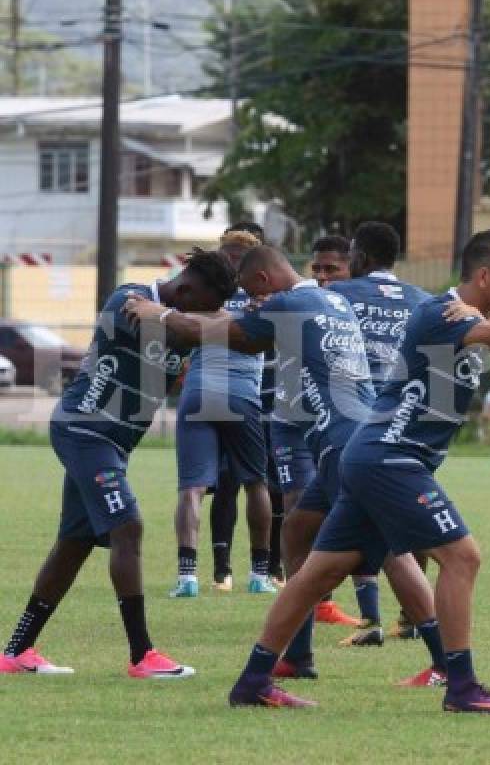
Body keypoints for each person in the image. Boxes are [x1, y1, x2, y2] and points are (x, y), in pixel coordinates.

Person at [220, 230, 490, 711]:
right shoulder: (442, 312)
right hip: (391, 457)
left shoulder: (481, 316)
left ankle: (253, 681)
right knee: (462, 557)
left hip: (373, 456)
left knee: (317, 575)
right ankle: (460, 685)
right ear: (483, 275)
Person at [124, 245, 445, 691]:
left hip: (346, 442)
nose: (253, 303)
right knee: (296, 531)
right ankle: (297, 658)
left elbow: (225, 333)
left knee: (394, 552)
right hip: (351, 437)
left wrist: (156, 313)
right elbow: (251, 337)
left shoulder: (289, 302)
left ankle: (446, 662)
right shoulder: (329, 299)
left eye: (252, 295)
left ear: (262, 282)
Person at [0, 249, 236, 678]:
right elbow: (194, 332)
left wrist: (213, 323)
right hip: (85, 432)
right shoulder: (128, 300)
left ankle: (16, 651)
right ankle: (142, 655)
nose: (201, 314)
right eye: (201, 304)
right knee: (127, 525)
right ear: (184, 289)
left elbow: (212, 332)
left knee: (74, 543)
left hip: (112, 444)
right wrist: (214, 326)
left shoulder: (180, 316)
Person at [323, 221, 432, 647]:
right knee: (410, 513)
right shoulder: (422, 301)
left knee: (357, 519)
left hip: (354, 424)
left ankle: (375, 619)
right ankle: (409, 616)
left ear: (360, 258)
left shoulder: (338, 296)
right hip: (409, 419)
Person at [169, 229, 275, 598]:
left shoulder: (207, 289)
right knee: (256, 482)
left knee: (192, 486)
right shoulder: (266, 293)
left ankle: (187, 576)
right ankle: (260, 574)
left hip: (200, 388)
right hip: (243, 392)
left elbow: (180, 331)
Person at [273, 234, 359, 627]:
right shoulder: (300, 302)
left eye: (333, 269)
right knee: (297, 516)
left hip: (343, 431)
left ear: (349, 269)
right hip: (293, 423)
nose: (323, 276)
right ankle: (307, 616)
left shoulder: (346, 306)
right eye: (317, 269)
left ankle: (419, 629)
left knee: (373, 529)